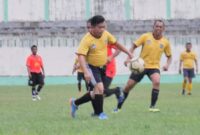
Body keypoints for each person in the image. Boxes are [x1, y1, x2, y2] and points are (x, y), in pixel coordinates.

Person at [69, 15, 132, 120]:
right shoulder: (87, 39)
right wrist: (86, 72)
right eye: (100, 27)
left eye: (104, 26)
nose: (102, 29)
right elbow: (81, 55)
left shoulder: (106, 34)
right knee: (100, 88)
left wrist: (129, 53)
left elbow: (117, 44)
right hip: (91, 68)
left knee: (95, 93)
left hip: (102, 68)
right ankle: (100, 114)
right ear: (93, 27)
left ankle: (75, 103)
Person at [114, 20, 172, 113]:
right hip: (140, 66)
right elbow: (133, 46)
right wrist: (128, 58)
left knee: (157, 82)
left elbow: (169, 57)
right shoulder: (145, 36)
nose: (158, 28)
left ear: (163, 29)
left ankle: (152, 106)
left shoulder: (165, 42)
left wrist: (167, 65)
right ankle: (118, 107)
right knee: (128, 86)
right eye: (157, 26)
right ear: (153, 27)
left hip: (154, 67)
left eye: (161, 27)